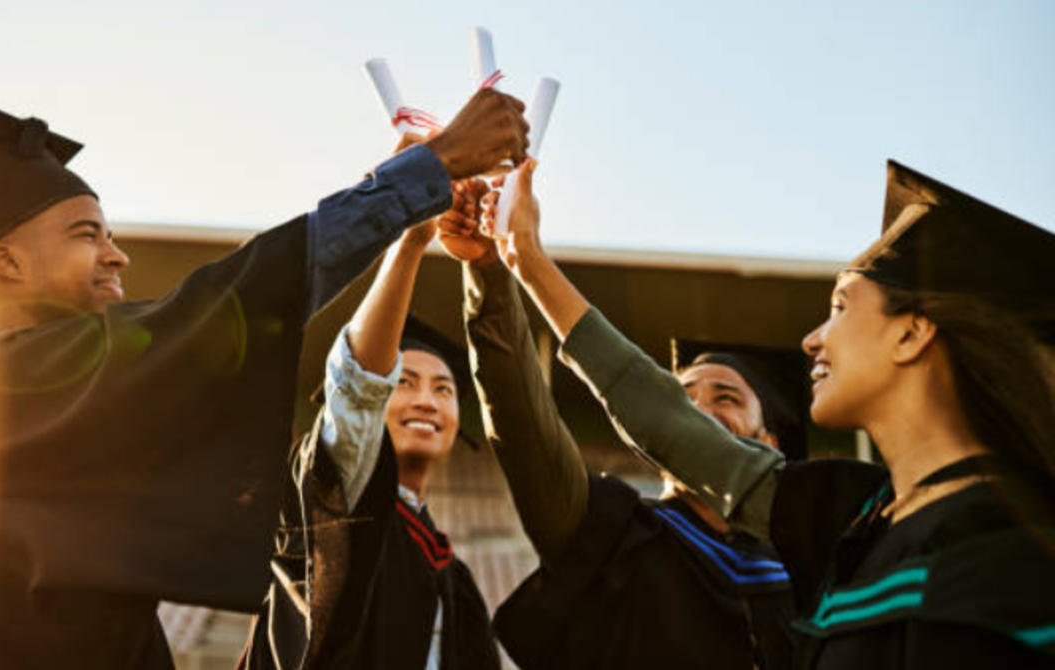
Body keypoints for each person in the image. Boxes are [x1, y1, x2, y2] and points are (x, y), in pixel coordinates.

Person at [0, 92, 528, 670]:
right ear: (4, 261)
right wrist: (425, 172)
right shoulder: (32, 379)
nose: (117, 254)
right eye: (87, 234)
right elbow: (239, 295)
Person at [454, 158, 1055, 668]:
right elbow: (660, 416)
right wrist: (521, 261)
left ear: (911, 335)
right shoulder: (850, 514)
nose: (813, 339)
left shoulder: (1015, 540)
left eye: (841, 307)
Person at [438, 177, 803, 668]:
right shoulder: (610, 532)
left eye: (726, 397)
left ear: (769, 443)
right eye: (682, 396)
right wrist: (488, 272)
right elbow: (521, 421)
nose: (696, 410)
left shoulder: (806, 569)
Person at [243, 176, 499, 670]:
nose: (427, 400)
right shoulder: (337, 508)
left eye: (443, 389)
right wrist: (410, 244)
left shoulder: (454, 575)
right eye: (404, 382)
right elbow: (356, 395)